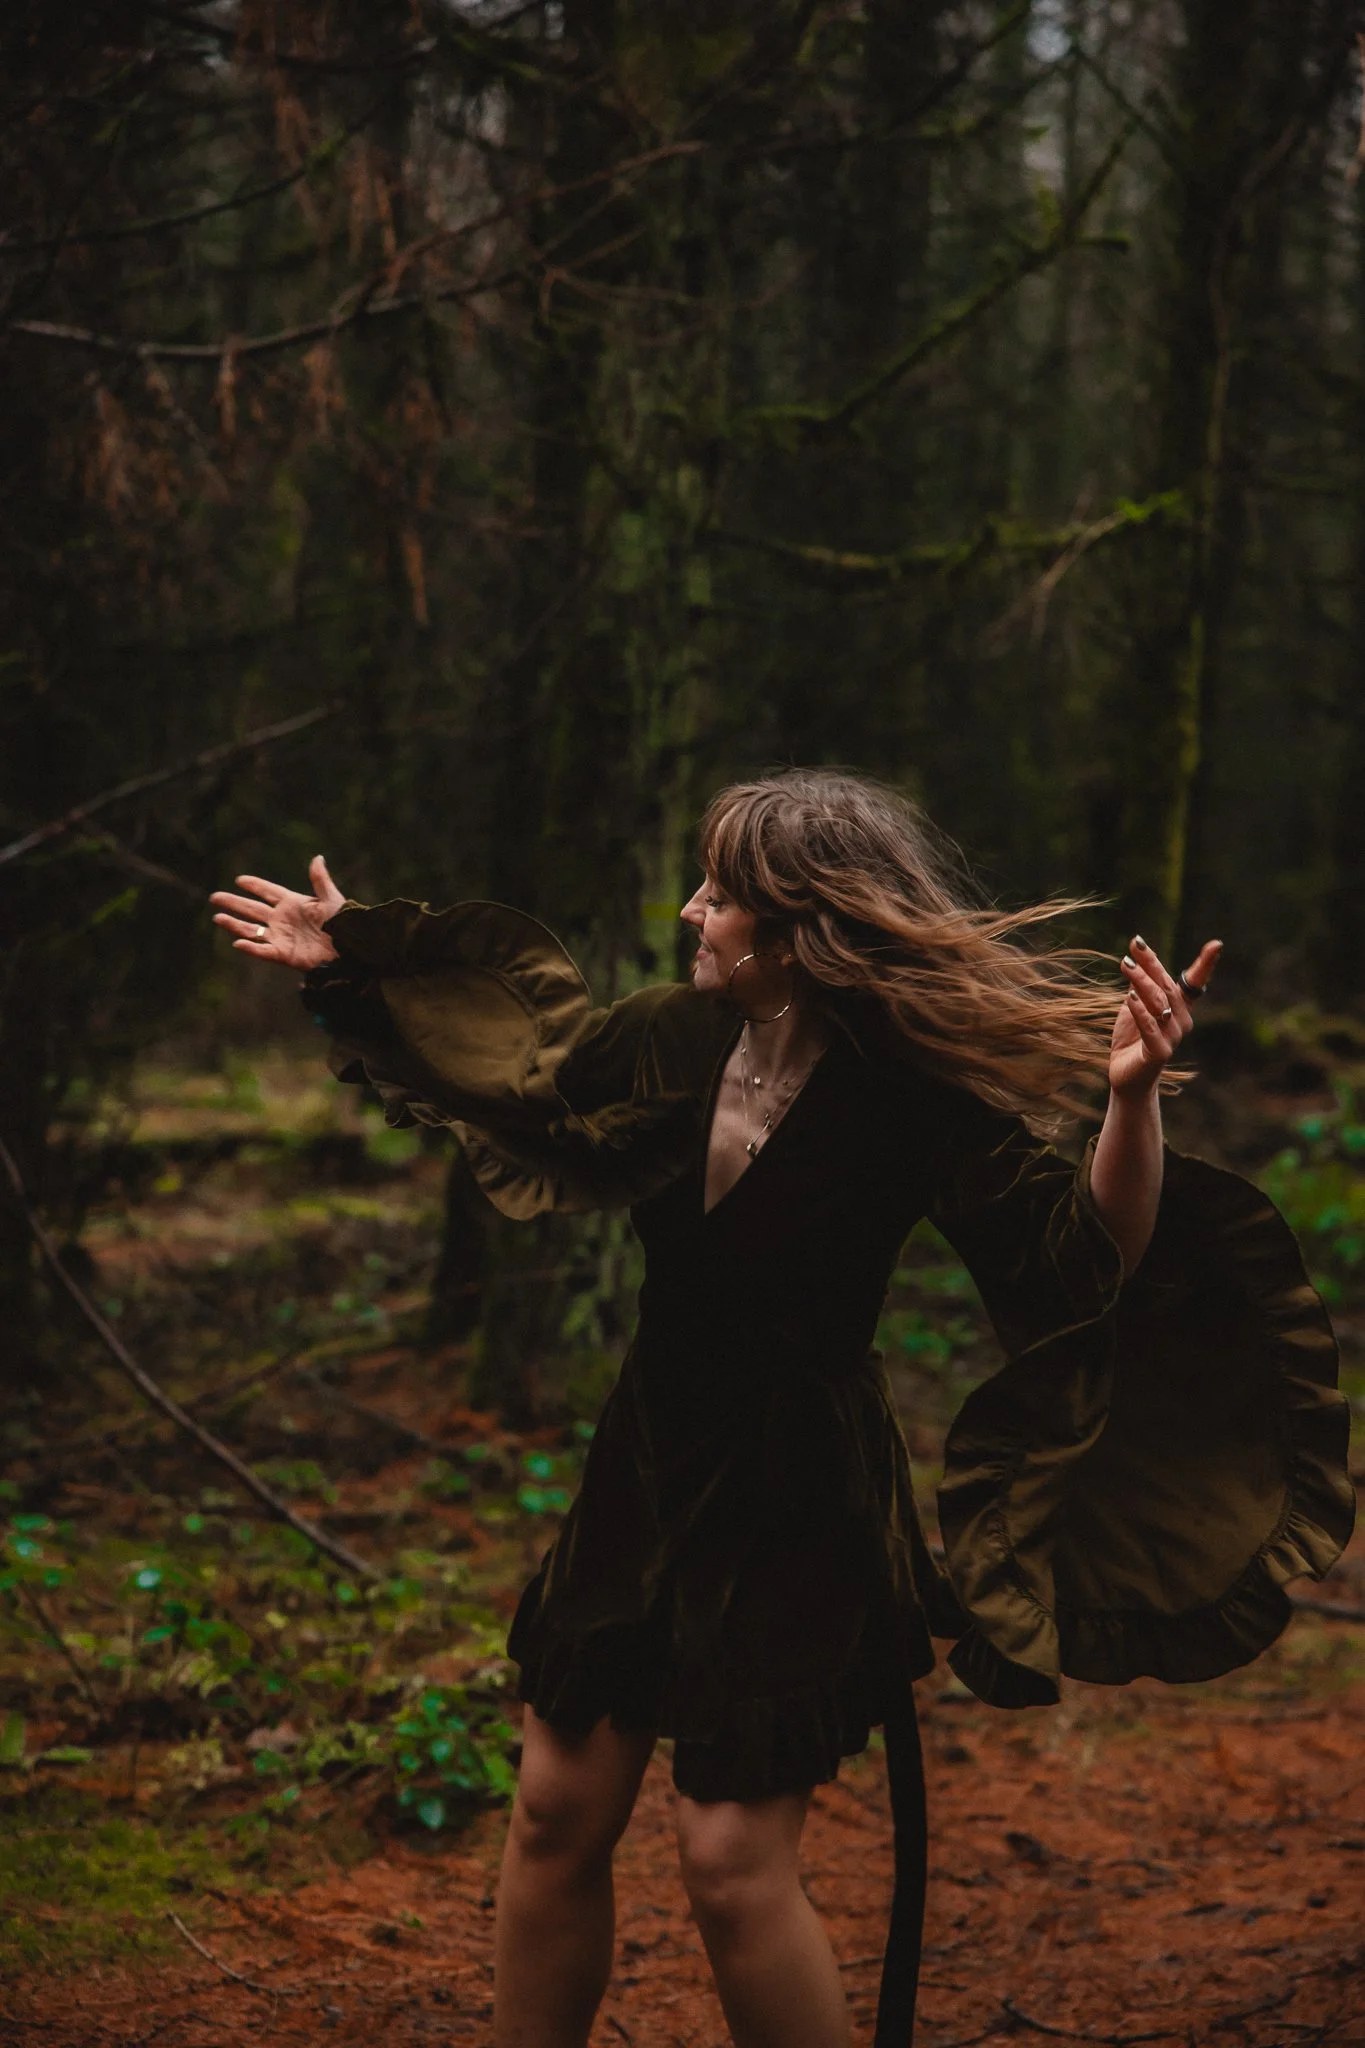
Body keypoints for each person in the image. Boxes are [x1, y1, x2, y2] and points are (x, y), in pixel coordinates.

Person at [211, 769, 1353, 2048]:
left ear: (798, 933)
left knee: (728, 1863)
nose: (693, 910)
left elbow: (1086, 1258)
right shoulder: (669, 1040)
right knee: (550, 1809)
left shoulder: (910, 1095)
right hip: (647, 1460)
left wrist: (1132, 1095)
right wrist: (353, 964)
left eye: (721, 893)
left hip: (798, 1485)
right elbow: (515, 1072)